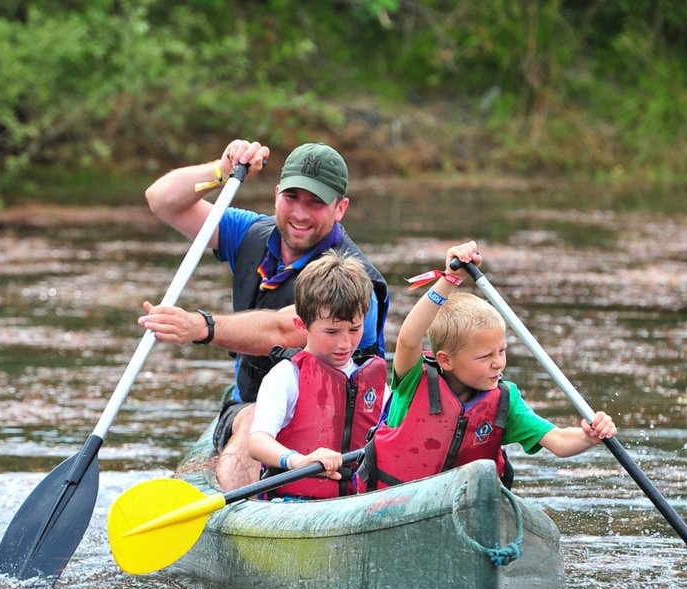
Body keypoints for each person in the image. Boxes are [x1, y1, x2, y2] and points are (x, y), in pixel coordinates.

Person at [139, 139, 389, 490]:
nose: (300, 214)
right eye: (292, 198)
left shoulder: (353, 277)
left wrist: (204, 327)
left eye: (315, 203)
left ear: (340, 208)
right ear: (276, 194)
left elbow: (286, 330)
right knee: (255, 416)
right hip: (256, 406)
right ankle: (240, 521)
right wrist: (220, 171)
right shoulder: (248, 232)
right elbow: (162, 200)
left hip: (340, 422)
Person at [359, 241, 617, 491]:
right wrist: (450, 279)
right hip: (392, 503)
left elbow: (558, 441)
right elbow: (408, 337)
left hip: (461, 511)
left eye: (502, 351)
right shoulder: (414, 379)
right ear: (445, 360)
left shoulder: (505, 401)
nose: (498, 363)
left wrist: (588, 437)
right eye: (485, 357)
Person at [247, 249, 387, 500]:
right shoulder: (286, 377)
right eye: (332, 332)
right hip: (294, 504)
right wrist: (297, 461)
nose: (345, 343)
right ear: (302, 325)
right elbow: (257, 442)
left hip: (359, 503)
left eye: (354, 329)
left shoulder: (374, 382)